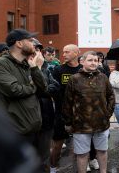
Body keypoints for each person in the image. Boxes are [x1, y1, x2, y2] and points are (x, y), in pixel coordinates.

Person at [0, 29, 47, 144]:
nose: (34, 44)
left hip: (33, 129)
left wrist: (35, 68)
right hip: (15, 132)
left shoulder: (28, 64)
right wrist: (33, 86)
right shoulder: (0, 64)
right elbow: (15, 90)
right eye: (30, 41)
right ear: (19, 43)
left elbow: (44, 90)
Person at [63, 51, 115, 173]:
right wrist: (68, 122)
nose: (93, 63)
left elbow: (111, 96)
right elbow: (67, 103)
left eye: (96, 60)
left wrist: (107, 114)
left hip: (101, 124)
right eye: (90, 60)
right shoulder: (74, 79)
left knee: (102, 151)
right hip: (81, 126)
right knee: (82, 154)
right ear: (82, 61)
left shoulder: (103, 77)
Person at [50, 44, 85, 173]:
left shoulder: (83, 69)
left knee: (80, 145)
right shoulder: (58, 70)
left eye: (67, 52)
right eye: (63, 52)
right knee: (57, 144)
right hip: (61, 113)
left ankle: (78, 168)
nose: (63, 54)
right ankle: (53, 168)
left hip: (80, 113)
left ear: (76, 53)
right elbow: (53, 90)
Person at [31, 39, 60, 172]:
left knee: (44, 156)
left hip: (46, 116)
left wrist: (44, 88)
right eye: (33, 49)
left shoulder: (45, 68)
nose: (36, 53)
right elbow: (36, 89)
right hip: (29, 120)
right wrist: (36, 69)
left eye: (38, 50)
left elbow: (55, 86)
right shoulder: (20, 68)